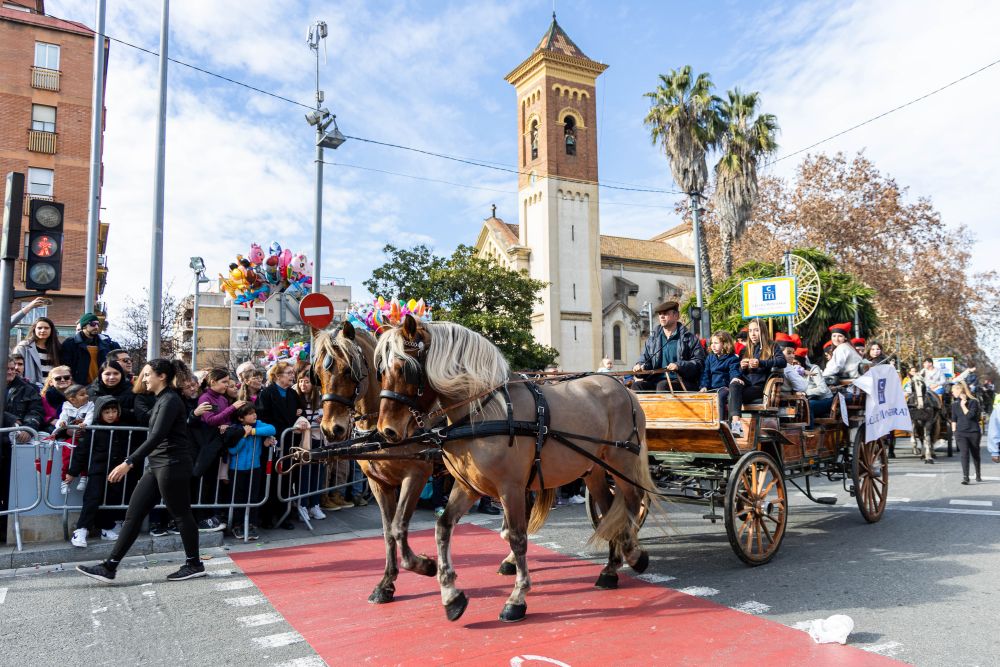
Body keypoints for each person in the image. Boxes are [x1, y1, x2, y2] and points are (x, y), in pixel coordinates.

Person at [76, 359, 206, 584]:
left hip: (172, 464)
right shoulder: (160, 399)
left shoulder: (170, 400)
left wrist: (129, 462)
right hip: (157, 464)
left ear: (161, 376)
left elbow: (156, 435)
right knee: (133, 515)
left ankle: (194, 563)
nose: (143, 379)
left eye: (147, 374)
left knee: (181, 514)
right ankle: (110, 567)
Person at [66, 397, 129, 547]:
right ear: (100, 413)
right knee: (92, 499)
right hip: (97, 470)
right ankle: (81, 530)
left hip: (115, 471)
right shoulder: (93, 429)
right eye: (107, 412)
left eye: (114, 411)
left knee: (111, 499)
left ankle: (106, 528)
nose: (111, 415)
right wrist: (72, 471)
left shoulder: (121, 428)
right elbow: (81, 452)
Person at [255, 361, 307, 529]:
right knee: (270, 480)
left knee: (287, 479)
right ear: (277, 376)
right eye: (289, 373)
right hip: (274, 443)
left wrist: (300, 416)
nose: (293, 376)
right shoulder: (267, 393)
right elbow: (263, 417)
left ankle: (284, 515)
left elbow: (301, 411)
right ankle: (267, 517)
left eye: (293, 372)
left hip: (291, 443)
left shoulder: (293, 394)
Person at [224, 403, 275, 540]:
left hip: (255, 467)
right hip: (237, 469)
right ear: (241, 418)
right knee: (237, 497)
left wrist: (252, 432)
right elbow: (233, 450)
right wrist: (244, 436)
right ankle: (238, 524)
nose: (254, 415)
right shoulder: (235, 429)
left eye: (254, 412)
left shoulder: (257, 424)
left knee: (252, 497)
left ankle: (251, 524)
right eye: (250, 413)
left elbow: (272, 429)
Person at [728, 319, 786, 437]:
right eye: (750, 331)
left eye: (756, 330)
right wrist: (741, 366)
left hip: (760, 386)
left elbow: (782, 362)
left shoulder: (772, 346)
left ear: (763, 331)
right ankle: (736, 425)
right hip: (745, 383)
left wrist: (761, 363)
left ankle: (734, 427)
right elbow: (736, 370)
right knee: (733, 385)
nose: (753, 334)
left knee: (732, 395)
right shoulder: (745, 349)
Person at [632, 300, 705, 391]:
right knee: (637, 386)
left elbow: (699, 364)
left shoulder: (690, 339)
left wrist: (679, 366)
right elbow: (645, 359)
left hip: (682, 382)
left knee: (662, 386)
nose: (662, 316)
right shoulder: (652, 339)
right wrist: (640, 366)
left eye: (665, 313)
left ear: (676, 316)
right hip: (656, 382)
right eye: (660, 314)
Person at [293, 369, 327, 521]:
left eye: (306, 381)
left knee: (318, 473)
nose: (303, 384)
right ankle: (303, 505)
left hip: (318, 439)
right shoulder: (295, 397)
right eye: (301, 381)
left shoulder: (321, 399)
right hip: (303, 442)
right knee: (304, 475)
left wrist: (324, 420)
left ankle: (315, 504)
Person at [54, 384, 95, 495]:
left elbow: (90, 416)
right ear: (72, 399)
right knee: (67, 456)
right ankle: (65, 481)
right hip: (72, 438)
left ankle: (84, 476)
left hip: (84, 437)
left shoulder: (90, 405)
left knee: (85, 454)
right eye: (82, 394)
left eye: (86, 393)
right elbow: (62, 418)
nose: (86, 396)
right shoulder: (66, 406)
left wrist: (85, 423)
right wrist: (61, 424)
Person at [60, 313, 121, 385]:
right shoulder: (70, 344)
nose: (96, 327)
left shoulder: (106, 344)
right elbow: (65, 368)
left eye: (98, 324)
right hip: (79, 387)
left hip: (101, 387)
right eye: (92, 324)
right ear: (84, 326)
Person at [699, 331, 741, 421]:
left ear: (725, 344)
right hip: (712, 387)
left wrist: (735, 378)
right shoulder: (710, 358)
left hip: (724, 388)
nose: (713, 346)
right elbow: (706, 374)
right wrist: (704, 386)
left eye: (716, 343)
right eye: (712, 343)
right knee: (702, 397)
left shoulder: (732, 358)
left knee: (720, 396)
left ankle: (720, 423)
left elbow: (734, 371)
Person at [3, 357, 44, 441]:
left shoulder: (27, 389)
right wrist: (11, 419)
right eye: (6, 369)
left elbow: (36, 411)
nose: (10, 372)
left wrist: (28, 429)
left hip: (15, 439)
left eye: (12, 369)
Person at [13, 316, 61, 389]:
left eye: (46, 328)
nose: (43, 330)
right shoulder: (23, 347)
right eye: (39, 328)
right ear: (34, 329)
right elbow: (15, 369)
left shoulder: (57, 348)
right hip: (30, 389)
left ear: (51, 330)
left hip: (52, 389)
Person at [951, 381, 982, 485]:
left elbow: (970, 416)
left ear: (960, 390)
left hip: (973, 432)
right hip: (960, 433)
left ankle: (978, 474)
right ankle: (966, 477)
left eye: (953, 390)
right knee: (964, 454)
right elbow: (953, 420)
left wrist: (963, 405)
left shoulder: (974, 402)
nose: (952, 393)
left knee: (975, 454)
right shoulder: (954, 405)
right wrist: (954, 432)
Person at [39, 364, 74, 430]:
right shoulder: (43, 398)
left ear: (70, 380)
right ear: (51, 382)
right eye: (58, 378)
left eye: (66, 377)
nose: (63, 380)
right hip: (52, 430)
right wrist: (50, 420)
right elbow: (39, 414)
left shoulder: (79, 395)